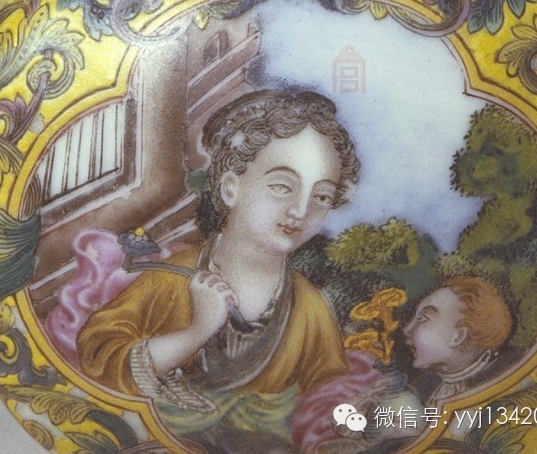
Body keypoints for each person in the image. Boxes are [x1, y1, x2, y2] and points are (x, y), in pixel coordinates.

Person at [76, 89, 360, 447]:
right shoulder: (169, 280)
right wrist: (196, 333)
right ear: (230, 188)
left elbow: (328, 401)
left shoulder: (310, 310)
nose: (300, 211)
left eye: (321, 196)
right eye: (281, 187)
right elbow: (99, 360)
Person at [404, 275, 514, 401]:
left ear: (458, 336)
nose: (407, 329)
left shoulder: (504, 381)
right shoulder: (420, 388)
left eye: (423, 319)